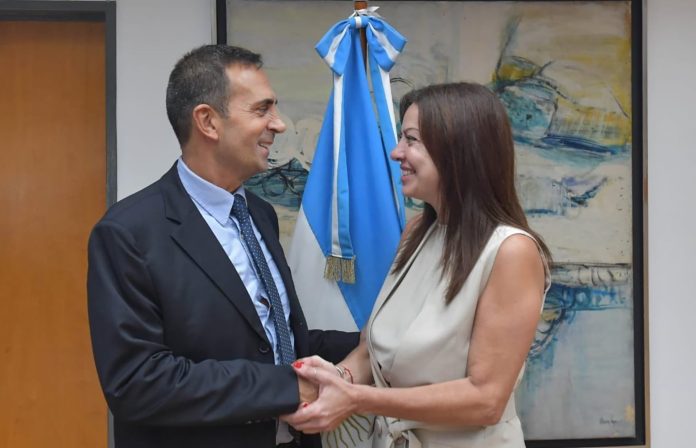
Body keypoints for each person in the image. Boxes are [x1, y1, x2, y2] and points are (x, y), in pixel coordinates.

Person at [87, 44, 358, 448]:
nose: (279, 124)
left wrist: (375, 341)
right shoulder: (127, 234)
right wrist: (286, 388)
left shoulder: (259, 214)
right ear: (208, 121)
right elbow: (138, 382)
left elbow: (276, 340)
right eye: (262, 109)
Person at [283, 82, 552, 448]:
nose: (397, 153)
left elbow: (486, 400)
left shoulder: (511, 251)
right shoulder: (416, 233)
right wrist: (337, 378)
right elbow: (372, 352)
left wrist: (357, 399)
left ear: (458, 150)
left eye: (411, 140)